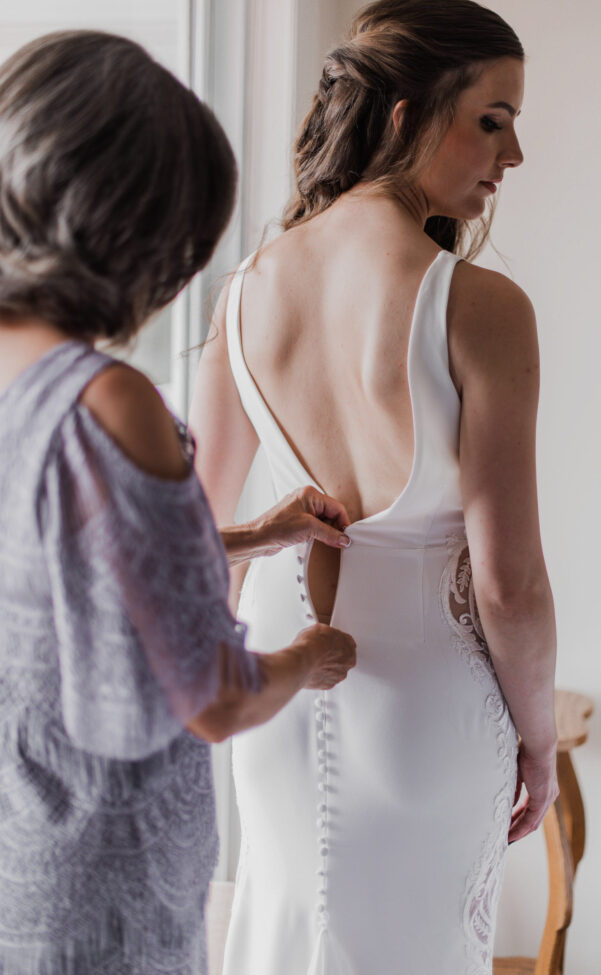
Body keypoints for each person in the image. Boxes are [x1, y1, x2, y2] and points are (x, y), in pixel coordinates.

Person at [190, 1, 560, 973]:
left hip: (270, 698)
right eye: (492, 117)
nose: (512, 153)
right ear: (403, 114)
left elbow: (196, 540)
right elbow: (508, 582)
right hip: (426, 707)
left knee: (279, 933)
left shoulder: (242, 296)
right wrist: (537, 745)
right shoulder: (481, 307)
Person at [0, 30, 356, 975]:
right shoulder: (110, 403)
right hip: (103, 886)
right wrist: (311, 655)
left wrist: (248, 531)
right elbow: (209, 695)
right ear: (140, 231)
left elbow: (70, 575)